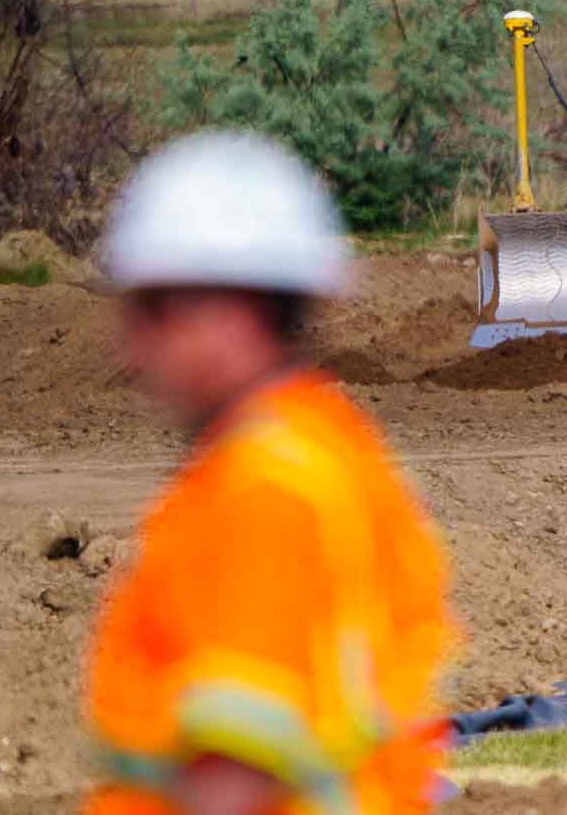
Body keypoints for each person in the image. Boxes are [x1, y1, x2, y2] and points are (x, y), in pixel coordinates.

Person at [85, 131, 464, 815]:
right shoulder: (322, 449)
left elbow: (231, 776)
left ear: (229, 314)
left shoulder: (265, 490)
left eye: (148, 313)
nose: (129, 345)